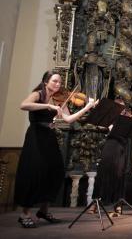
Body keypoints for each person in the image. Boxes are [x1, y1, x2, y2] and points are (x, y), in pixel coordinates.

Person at [15, 70, 97, 228]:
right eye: (55, 81)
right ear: (46, 81)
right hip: (36, 136)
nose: (58, 84)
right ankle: (24, 213)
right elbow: (23, 105)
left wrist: (87, 107)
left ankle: (44, 210)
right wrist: (47, 106)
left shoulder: (58, 100)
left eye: (59, 82)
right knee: (35, 172)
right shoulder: (39, 94)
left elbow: (68, 119)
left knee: (56, 170)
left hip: (49, 136)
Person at [91, 99, 132, 215]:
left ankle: (118, 203)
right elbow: (99, 126)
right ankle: (96, 203)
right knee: (103, 172)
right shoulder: (108, 117)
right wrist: (108, 127)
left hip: (121, 147)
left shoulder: (126, 118)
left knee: (119, 174)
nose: (121, 109)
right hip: (110, 146)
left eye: (122, 107)